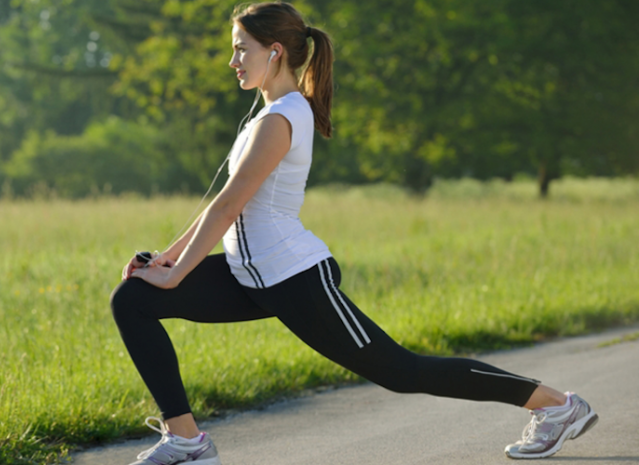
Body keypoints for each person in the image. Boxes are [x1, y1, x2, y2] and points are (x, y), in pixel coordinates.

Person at [109, 3, 598, 464]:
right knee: (132, 300)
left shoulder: (280, 119)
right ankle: (187, 439)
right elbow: (224, 203)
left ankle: (555, 404)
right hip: (251, 276)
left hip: (294, 278)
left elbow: (230, 203)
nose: (233, 60)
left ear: (273, 51)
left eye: (242, 48)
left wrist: (174, 276)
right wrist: (168, 261)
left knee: (403, 373)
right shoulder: (265, 116)